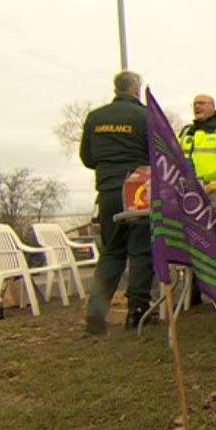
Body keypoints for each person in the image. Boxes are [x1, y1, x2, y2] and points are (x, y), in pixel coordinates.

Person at [79, 70, 153, 335]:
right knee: (141, 251)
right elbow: (157, 154)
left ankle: (96, 315)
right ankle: (137, 312)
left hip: (108, 190)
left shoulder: (95, 117)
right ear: (136, 90)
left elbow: (87, 157)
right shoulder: (145, 116)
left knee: (111, 251)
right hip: (138, 190)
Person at [177, 94, 216, 183]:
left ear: (212, 106)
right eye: (194, 104)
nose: (196, 106)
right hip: (188, 188)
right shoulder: (185, 131)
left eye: (201, 103)